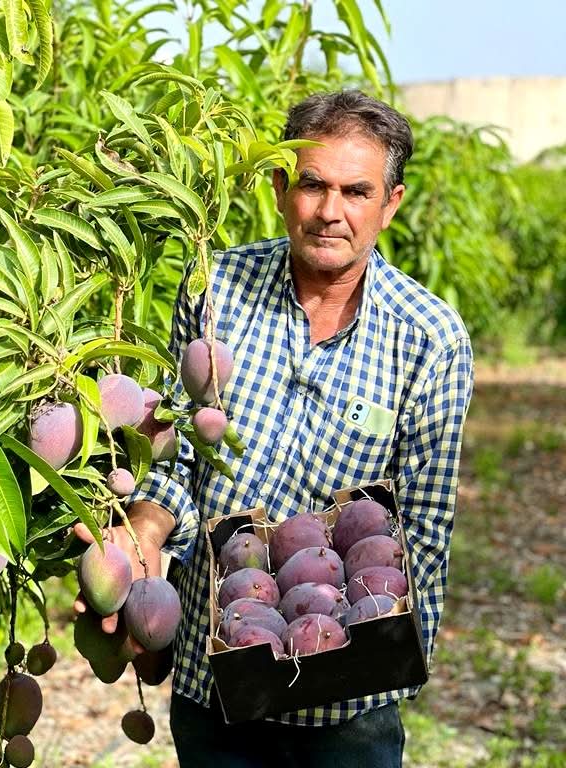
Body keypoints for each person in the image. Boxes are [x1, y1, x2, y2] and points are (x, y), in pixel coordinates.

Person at [74, 89, 474, 767]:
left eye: (356, 191)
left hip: (346, 707)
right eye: (313, 185)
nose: (330, 211)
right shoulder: (217, 292)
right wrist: (140, 534)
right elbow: (177, 458)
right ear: (282, 187)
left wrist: (376, 657)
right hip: (216, 687)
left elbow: (424, 534)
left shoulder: (429, 340)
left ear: (391, 203)